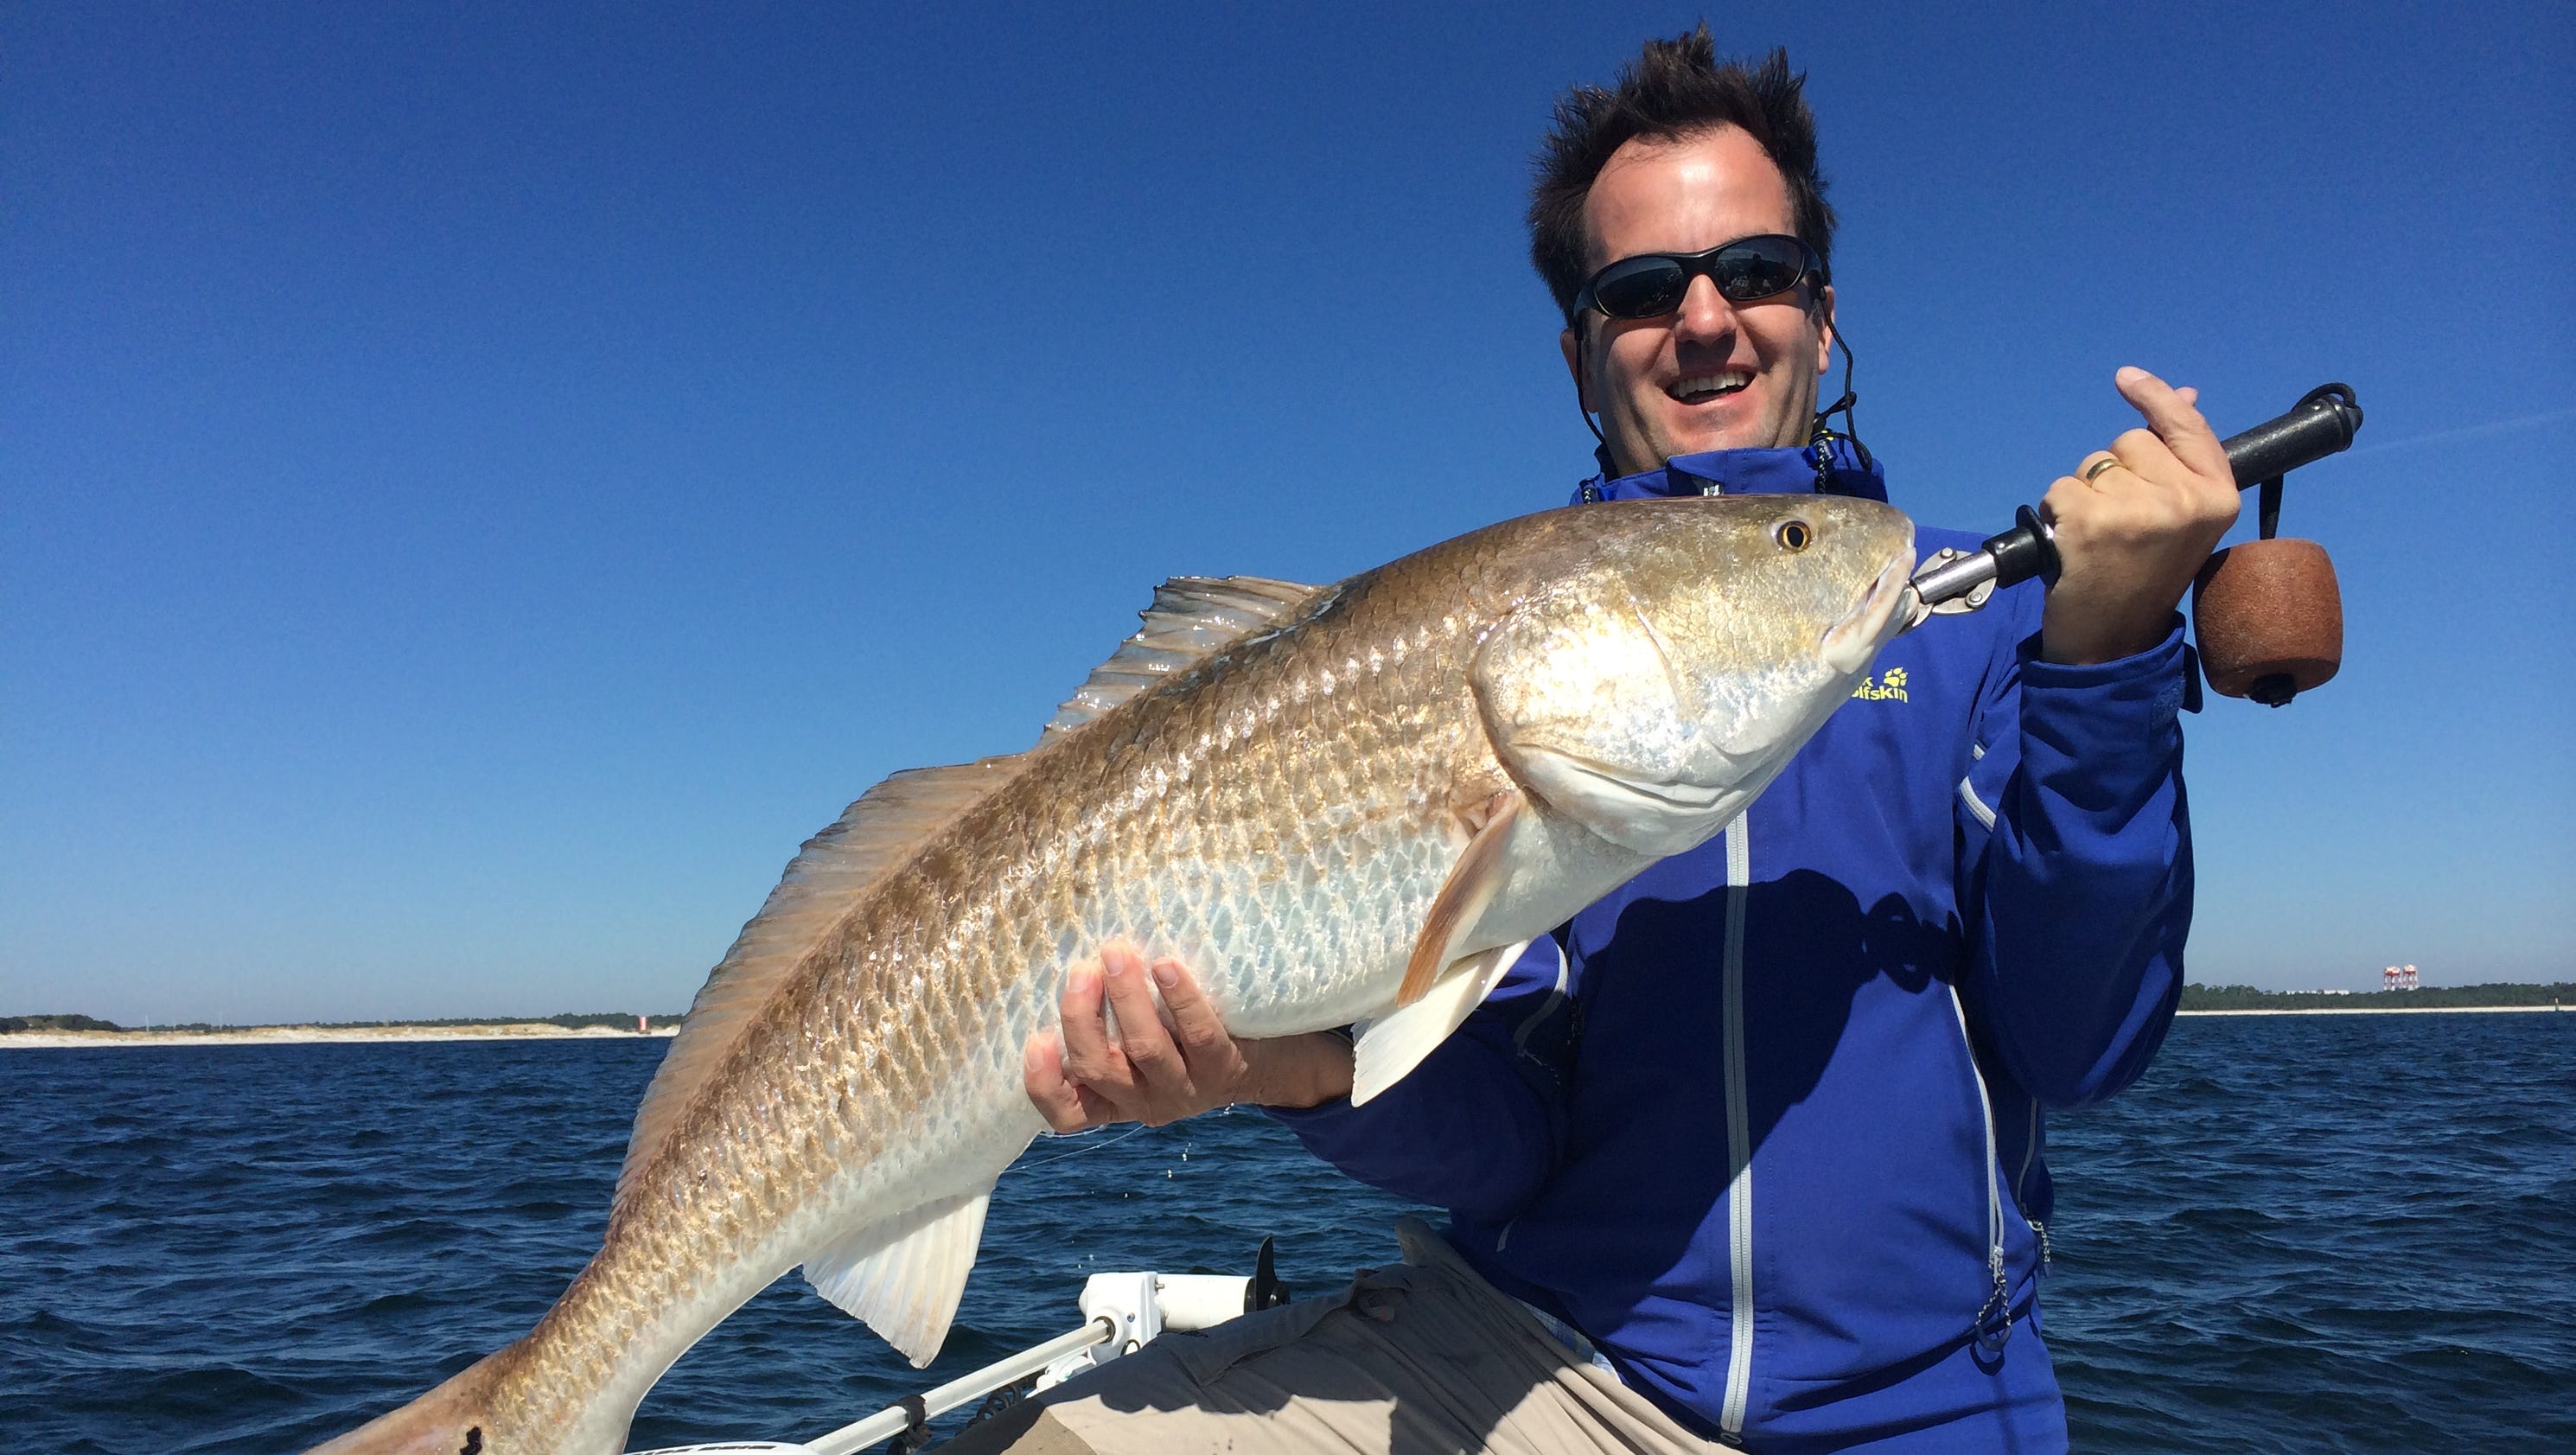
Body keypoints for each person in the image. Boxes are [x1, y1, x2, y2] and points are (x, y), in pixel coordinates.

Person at [960, 29, 2237, 1455]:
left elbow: (2082, 1046)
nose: (1705, 320)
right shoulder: (1494, 645)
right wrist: (1280, 1064)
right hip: (1531, 1363)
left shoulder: (2002, 629)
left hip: (1925, 1411)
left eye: (1754, 272)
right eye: (1641, 291)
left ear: (1822, 311)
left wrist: (2112, 660)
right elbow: (1508, 1149)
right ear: (1581, 351)